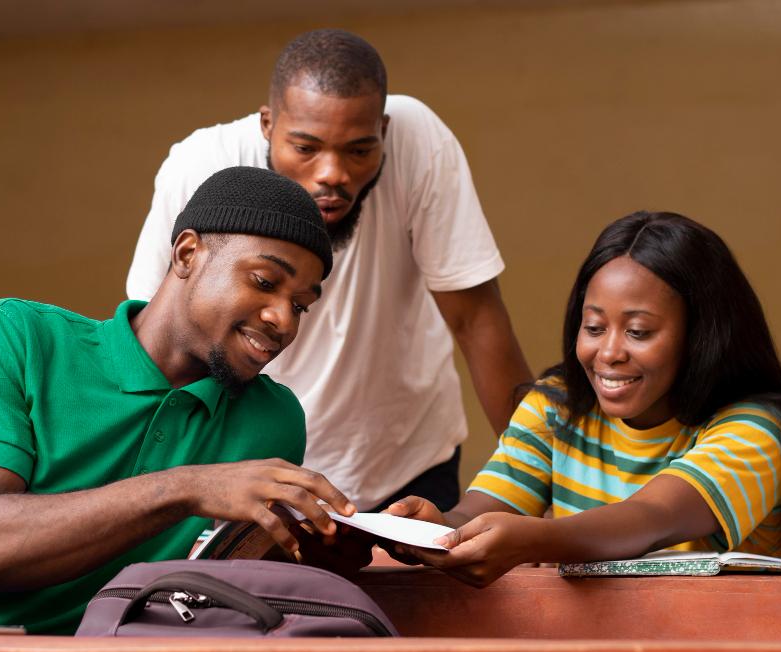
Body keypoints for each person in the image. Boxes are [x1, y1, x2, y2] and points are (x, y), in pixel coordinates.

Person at [0, 167, 357, 634]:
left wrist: (355, 542)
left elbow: (224, 588)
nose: (283, 320)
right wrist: (187, 488)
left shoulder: (272, 420)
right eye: (264, 282)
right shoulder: (14, 337)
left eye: (301, 306)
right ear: (187, 254)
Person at [127, 29, 531, 512]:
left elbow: (476, 320)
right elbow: (160, 341)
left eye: (359, 151)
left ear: (383, 130)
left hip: (406, 461)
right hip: (251, 467)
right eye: (305, 148)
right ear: (267, 124)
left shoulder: (419, 140)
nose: (332, 174)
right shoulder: (200, 165)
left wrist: (538, 489)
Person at [386, 210, 781, 586]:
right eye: (594, 327)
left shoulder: (760, 428)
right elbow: (476, 513)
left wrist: (534, 540)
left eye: (638, 332)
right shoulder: (555, 406)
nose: (609, 353)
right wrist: (435, 528)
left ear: (701, 337)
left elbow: (652, 519)